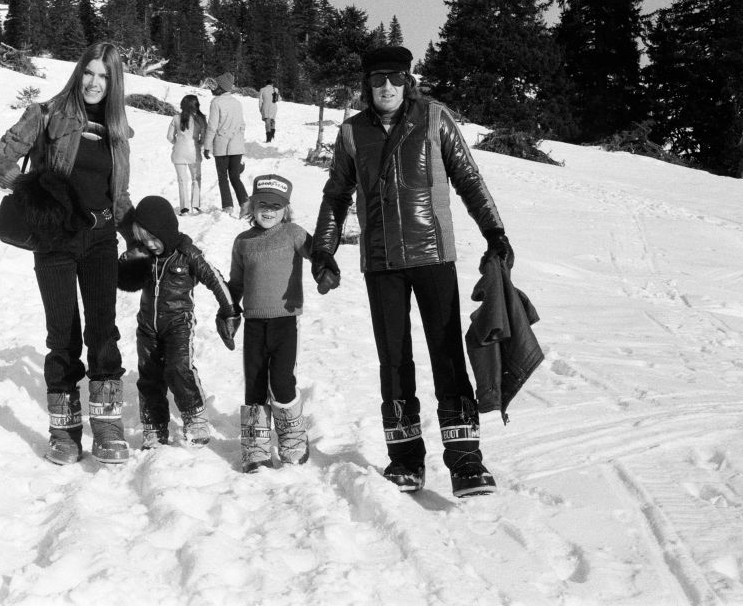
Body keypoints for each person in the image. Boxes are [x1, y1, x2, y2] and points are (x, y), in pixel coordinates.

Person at [311, 45, 515, 497]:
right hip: (381, 263)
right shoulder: (351, 133)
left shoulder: (435, 119)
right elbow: (336, 195)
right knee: (394, 360)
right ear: (367, 85)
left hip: (433, 256)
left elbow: (469, 180)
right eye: (378, 80)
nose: (387, 88)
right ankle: (405, 459)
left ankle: (466, 462)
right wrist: (324, 249)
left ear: (408, 80)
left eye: (395, 79)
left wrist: (495, 233)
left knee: (446, 354)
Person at [0, 41, 135, 467]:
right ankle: (64, 431)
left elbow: (118, 195)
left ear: (114, 82)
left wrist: (139, 233)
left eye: (104, 76)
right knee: (62, 336)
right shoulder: (47, 114)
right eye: (89, 72)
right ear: (78, 72)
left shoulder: (119, 132)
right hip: (55, 242)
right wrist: (33, 195)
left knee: (103, 333)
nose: (93, 82)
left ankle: (106, 426)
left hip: (102, 239)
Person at [117, 195, 241, 448]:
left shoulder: (187, 254)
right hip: (147, 326)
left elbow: (215, 279)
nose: (150, 245)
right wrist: (123, 263)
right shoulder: (143, 254)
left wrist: (229, 310)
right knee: (149, 376)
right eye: (144, 239)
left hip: (178, 324)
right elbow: (123, 280)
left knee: (178, 369)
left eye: (154, 238)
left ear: (166, 231)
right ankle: (154, 426)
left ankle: (194, 415)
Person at [229, 174, 313, 472]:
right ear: (252, 205)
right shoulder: (243, 242)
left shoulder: (293, 233)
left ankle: (292, 436)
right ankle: (256, 446)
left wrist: (327, 265)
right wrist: (226, 311)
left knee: (281, 380)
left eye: (275, 206)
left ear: (285, 208)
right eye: (262, 204)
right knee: (254, 384)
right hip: (253, 323)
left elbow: (316, 251)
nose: (268, 210)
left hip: (285, 321)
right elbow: (236, 283)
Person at [202, 71, 249, 215]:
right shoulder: (237, 103)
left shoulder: (216, 103)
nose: (212, 88)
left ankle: (228, 206)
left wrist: (207, 146)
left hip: (222, 145)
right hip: (237, 145)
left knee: (223, 177)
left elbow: (212, 126)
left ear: (221, 88)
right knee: (235, 176)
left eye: (215, 86)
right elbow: (242, 124)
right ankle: (245, 204)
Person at [166, 94, 206, 215]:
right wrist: (199, 143)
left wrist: (176, 142)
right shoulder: (200, 118)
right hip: (193, 152)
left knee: (182, 180)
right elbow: (204, 138)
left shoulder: (176, 118)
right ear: (196, 105)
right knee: (196, 178)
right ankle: (196, 205)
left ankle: (184, 208)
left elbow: (169, 137)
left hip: (178, 152)